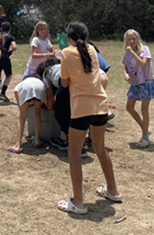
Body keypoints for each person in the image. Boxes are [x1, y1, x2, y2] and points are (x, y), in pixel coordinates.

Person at [57, 21, 121, 214]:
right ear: (86, 36)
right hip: (101, 106)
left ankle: (78, 202)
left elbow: (64, 83)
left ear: (68, 38)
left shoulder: (67, 53)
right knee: (100, 149)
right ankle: (113, 191)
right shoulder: (92, 49)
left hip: (82, 109)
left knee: (74, 154)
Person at [122, 29, 154, 148]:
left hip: (146, 82)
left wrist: (133, 52)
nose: (131, 41)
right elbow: (125, 67)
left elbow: (143, 64)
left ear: (138, 38)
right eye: (129, 39)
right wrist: (126, 74)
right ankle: (145, 127)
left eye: (133, 38)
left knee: (144, 109)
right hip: (135, 83)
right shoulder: (127, 52)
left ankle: (145, 137)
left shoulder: (144, 49)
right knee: (129, 107)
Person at [8, 63, 46, 153]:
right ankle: (37, 140)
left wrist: (21, 108)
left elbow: (16, 92)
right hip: (39, 88)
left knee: (22, 117)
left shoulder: (22, 83)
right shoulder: (40, 82)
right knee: (37, 114)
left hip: (25, 89)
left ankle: (17, 145)